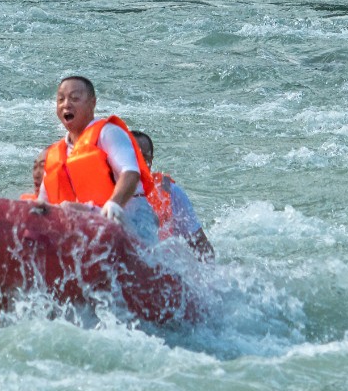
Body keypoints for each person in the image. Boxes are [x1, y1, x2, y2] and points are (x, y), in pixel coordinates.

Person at [29, 75, 164, 244]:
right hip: (92, 223)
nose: (66, 104)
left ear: (93, 103)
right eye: (61, 99)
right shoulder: (56, 153)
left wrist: (114, 204)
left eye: (75, 98)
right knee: (58, 210)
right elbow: (44, 202)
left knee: (69, 209)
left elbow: (130, 173)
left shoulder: (109, 133)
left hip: (131, 218)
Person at [132, 131, 215, 262]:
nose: (137, 163)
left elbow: (201, 246)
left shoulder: (170, 192)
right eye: (132, 156)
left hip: (163, 268)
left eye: (144, 158)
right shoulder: (106, 192)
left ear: (151, 161)